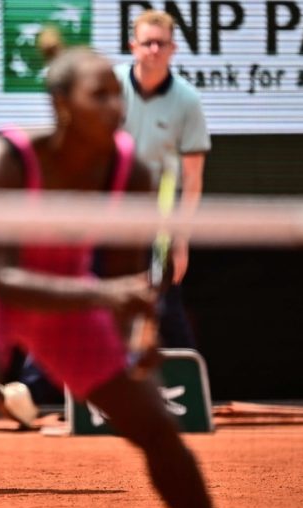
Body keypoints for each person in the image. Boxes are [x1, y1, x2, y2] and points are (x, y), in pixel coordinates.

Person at [0, 48, 214, 508]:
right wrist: (105, 295)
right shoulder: (6, 158)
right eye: (100, 96)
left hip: (68, 292)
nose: (117, 106)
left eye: (118, 95)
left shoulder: (130, 172)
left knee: (156, 427)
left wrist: (136, 336)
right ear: (61, 105)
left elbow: (124, 279)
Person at [115, 9, 212, 348]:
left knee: (164, 309)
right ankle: (30, 393)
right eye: (147, 43)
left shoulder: (187, 101)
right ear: (133, 46)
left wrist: (181, 240)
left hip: (160, 225)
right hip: (107, 216)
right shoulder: (108, 88)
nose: (154, 50)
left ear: (173, 49)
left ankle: (189, 393)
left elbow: (194, 179)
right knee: (85, 301)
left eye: (162, 44)